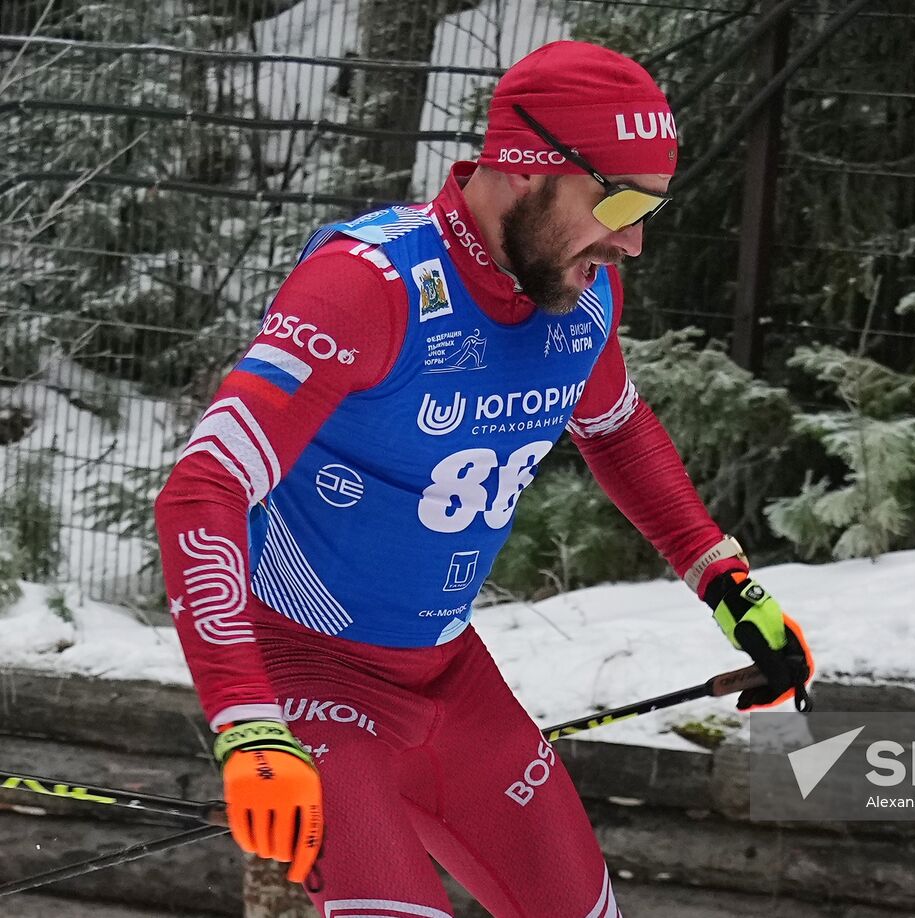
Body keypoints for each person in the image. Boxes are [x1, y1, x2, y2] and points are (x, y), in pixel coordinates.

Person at [154, 40, 814, 918]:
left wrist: (729, 586)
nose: (635, 241)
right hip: (309, 676)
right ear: (524, 167)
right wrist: (248, 723)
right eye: (617, 201)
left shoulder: (576, 296)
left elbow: (617, 430)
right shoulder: (370, 285)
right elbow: (202, 490)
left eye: (651, 208)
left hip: (451, 681)